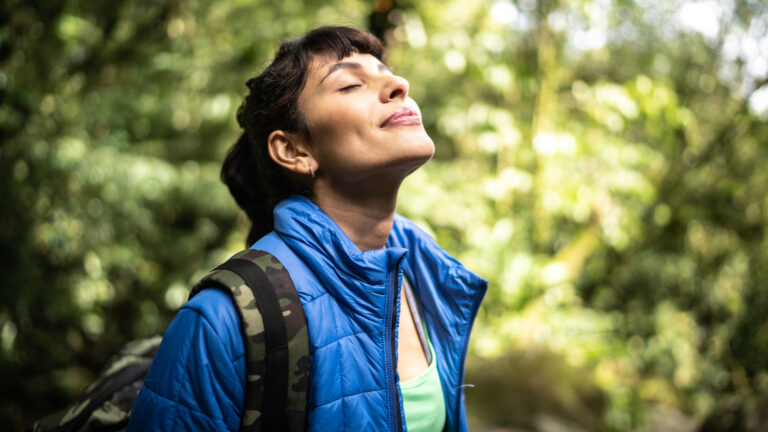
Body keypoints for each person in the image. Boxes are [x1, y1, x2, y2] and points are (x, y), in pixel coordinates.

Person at [126, 26, 487, 432]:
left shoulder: (424, 274)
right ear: (294, 151)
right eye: (351, 84)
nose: (399, 84)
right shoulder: (221, 321)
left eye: (388, 72)